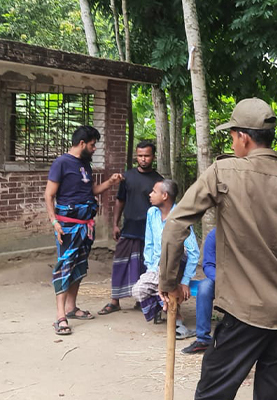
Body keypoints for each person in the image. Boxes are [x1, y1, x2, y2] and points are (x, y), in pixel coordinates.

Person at [157, 97, 277, 400]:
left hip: (242, 315)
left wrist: (169, 283)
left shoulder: (223, 172)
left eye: (232, 136)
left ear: (244, 137)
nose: (233, 143)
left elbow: (175, 226)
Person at [44, 126, 123, 335]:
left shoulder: (85, 165)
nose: (94, 148)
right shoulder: (61, 163)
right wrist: (54, 222)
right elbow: (49, 195)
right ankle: (60, 316)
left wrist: (110, 182)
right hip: (67, 225)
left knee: (79, 265)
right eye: (92, 144)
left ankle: (71, 308)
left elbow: (91, 191)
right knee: (65, 265)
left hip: (85, 226)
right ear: (82, 143)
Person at [98, 141, 163, 315]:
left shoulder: (159, 181)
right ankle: (115, 300)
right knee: (120, 263)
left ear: (153, 157)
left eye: (147, 155)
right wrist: (115, 223)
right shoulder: (127, 177)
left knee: (146, 265)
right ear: (136, 156)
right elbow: (120, 200)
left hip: (149, 231)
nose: (143, 159)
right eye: (140, 155)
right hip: (129, 228)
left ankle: (142, 299)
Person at [132, 179, 199, 339]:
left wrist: (185, 281)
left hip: (176, 267)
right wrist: (151, 267)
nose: (150, 194)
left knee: (160, 284)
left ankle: (177, 320)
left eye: (154, 191)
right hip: (157, 267)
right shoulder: (152, 213)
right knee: (138, 291)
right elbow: (149, 242)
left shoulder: (180, 217)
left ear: (164, 196)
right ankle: (174, 313)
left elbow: (193, 251)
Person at [182, 228, 217, 354]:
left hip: (242, 280)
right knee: (204, 288)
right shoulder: (214, 235)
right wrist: (221, 280)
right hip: (219, 280)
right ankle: (203, 339)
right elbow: (208, 265)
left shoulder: (247, 233)